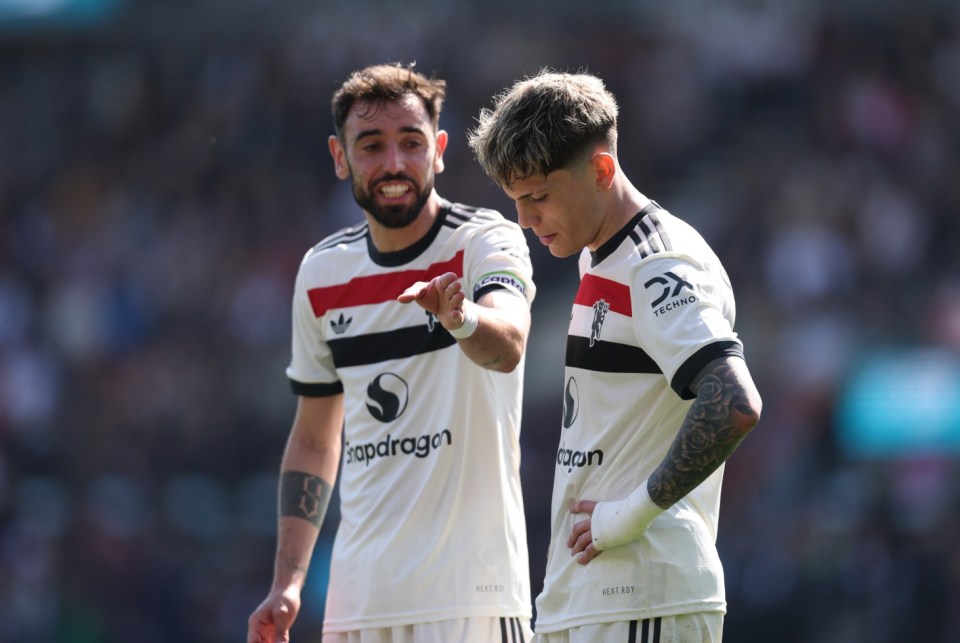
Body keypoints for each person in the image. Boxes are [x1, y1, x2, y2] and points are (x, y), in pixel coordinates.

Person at [467, 71, 762, 643]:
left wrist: (623, 518)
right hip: (591, 601)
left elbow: (733, 401)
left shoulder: (657, 265)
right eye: (517, 203)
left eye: (539, 198)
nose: (525, 221)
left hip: (644, 598)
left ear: (601, 170)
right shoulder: (599, 257)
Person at [248, 63, 536, 643]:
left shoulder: (485, 240)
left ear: (440, 150)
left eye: (411, 143)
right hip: (360, 602)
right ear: (339, 156)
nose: (394, 165)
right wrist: (288, 582)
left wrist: (461, 318)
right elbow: (312, 437)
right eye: (371, 146)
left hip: (473, 598)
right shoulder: (321, 273)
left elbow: (507, 345)